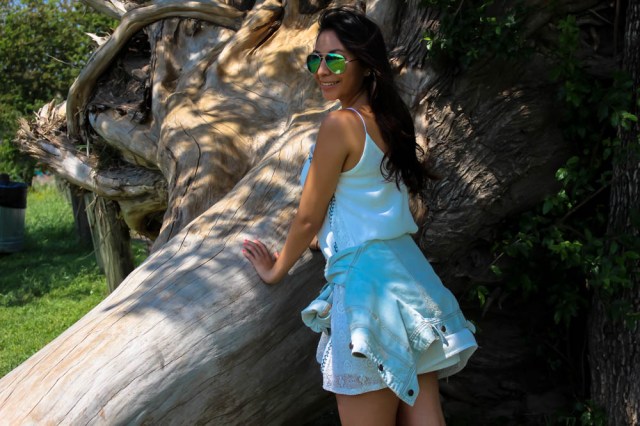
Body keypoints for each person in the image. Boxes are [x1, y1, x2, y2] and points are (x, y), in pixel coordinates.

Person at [242, 7, 477, 426]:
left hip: (366, 291)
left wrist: (276, 270)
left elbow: (308, 217)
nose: (322, 70)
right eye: (316, 59)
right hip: (410, 280)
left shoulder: (340, 124)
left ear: (366, 65)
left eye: (335, 59)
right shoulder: (389, 120)